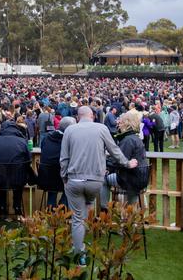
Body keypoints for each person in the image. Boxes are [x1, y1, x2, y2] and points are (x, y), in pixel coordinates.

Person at [60, 106, 137, 264]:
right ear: (92, 115)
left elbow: (64, 158)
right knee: (84, 211)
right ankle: (81, 244)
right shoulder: (101, 128)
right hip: (94, 182)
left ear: (78, 116)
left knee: (77, 219)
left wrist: (64, 178)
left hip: (74, 181)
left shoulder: (69, 130)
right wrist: (128, 163)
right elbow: (114, 151)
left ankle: (79, 254)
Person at [0, 121, 35, 215]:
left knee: (1, 181)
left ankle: (2, 206)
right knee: (17, 182)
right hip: (18, 180)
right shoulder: (22, 141)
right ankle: (17, 206)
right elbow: (29, 160)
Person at [100, 110, 148, 209]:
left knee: (103, 180)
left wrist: (106, 164)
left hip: (130, 178)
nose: (118, 123)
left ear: (127, 123)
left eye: (120, 122)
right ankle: (132, 215)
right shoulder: (135, 138)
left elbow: (120, 161)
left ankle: (103, 209)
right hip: (140, 177)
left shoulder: (128, 140)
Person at [39, 117, 76, 208]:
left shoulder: (47, 137)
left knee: (55, 187)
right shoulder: (69, 140)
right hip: (61, 178)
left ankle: (52, 212)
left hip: (45, 176)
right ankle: (62, 208)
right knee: (72, 184)